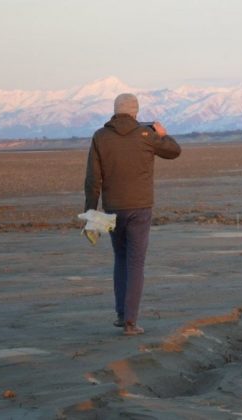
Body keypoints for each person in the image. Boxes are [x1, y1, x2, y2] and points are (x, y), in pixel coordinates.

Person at [84, 93, 181, 336]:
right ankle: (130, 322)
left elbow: (93, 179)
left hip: (113, 208)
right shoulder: (145, 135)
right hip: (140, 208)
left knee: (121, 259)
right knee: (136, 262)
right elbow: (174, 151)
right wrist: (161, 133)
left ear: (115, 110)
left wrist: (91, 211)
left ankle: (120, 314)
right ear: (136, 112)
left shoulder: (100, 137)